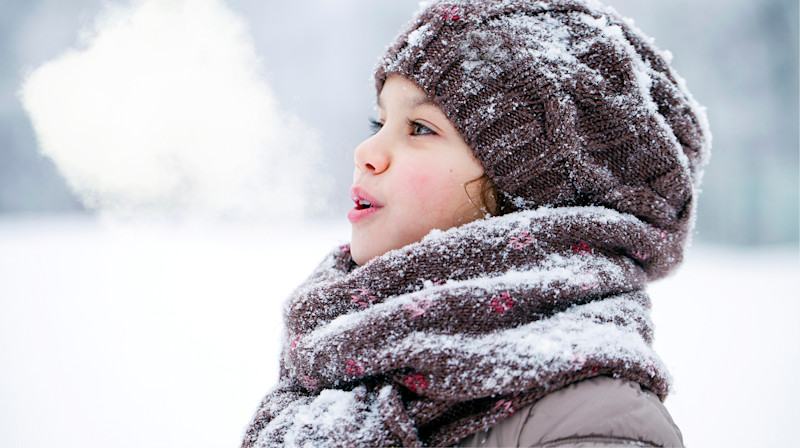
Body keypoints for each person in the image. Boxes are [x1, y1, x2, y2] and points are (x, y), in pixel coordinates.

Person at [242, 0, 710, 446]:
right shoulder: (336, 356)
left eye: (420, 128)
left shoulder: (593, 420)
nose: (366, 153)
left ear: (531, 193)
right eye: (378, 122)